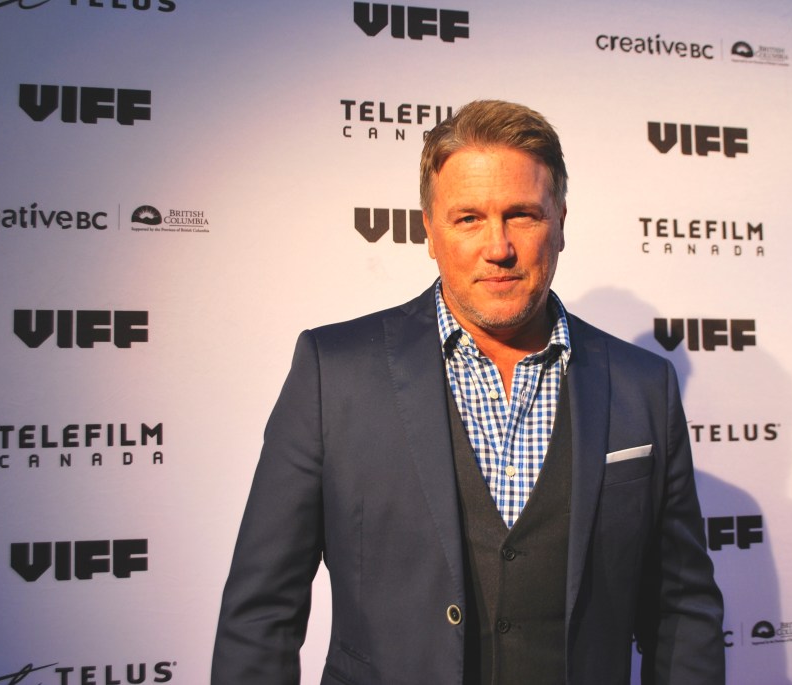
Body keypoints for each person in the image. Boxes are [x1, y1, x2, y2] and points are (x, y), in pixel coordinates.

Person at [212, 100, 724, 685]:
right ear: (429, 231)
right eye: (468, 219)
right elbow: (262, 612)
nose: (498, 247)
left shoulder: (642, 386)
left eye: (522, 215)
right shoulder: (334, 372)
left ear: (560, 221)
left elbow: (682, 611)